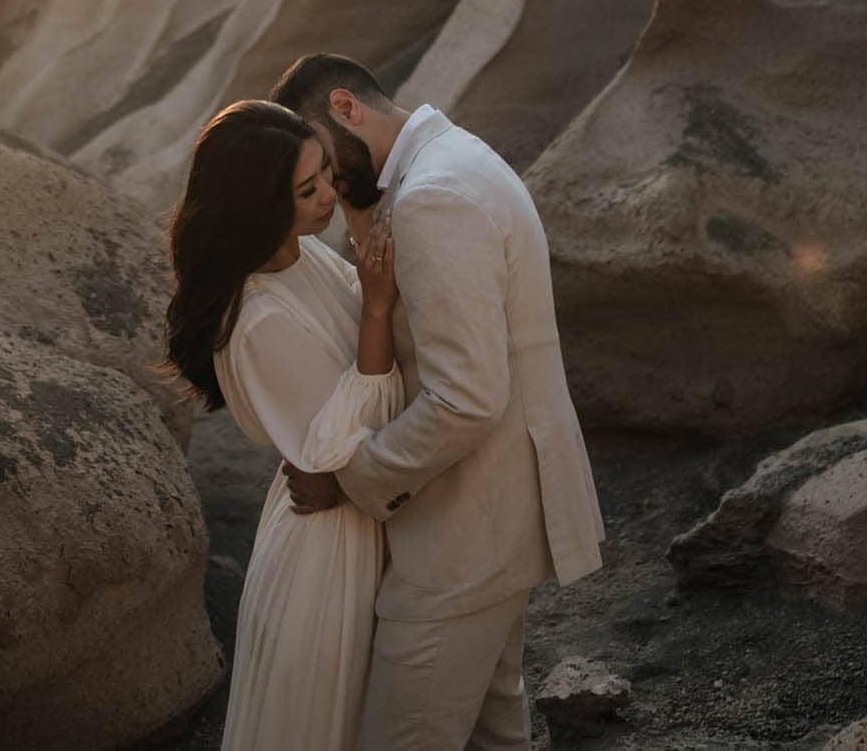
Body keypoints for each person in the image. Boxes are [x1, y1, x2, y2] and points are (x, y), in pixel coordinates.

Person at [269, 54, 605, 751]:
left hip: (463, 539)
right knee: (491, 733)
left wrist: (351, 477)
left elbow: (466, 398)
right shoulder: (452, 161)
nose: (327, 186)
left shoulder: (433, 198)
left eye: (324, 163)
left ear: (346, 107)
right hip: (493, 523)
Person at [163, 99, 404, 751]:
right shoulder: (259, 321)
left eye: (327, 172)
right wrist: (378, 312)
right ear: (257, 205)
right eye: (308, 189)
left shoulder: (305, 256)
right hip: (327, 554)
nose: (329, 193)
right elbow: (351, 437)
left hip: (359, 511)